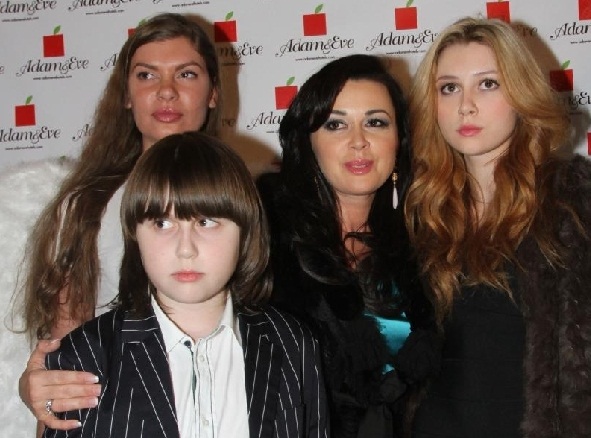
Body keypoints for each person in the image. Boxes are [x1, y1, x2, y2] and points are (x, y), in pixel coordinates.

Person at [41, 132, 328, 438]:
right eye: (162, 224)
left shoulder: (292, 343)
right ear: (135, 234)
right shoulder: (86, 354)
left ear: (244, 232)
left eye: (206, 222)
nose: (185, 249)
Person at [15, 12, 220, 433]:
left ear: (213, 92)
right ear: (126, 95)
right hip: (122, 418)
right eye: (146, 75)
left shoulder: (248, 201)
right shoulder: (86, 207)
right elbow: (62, 367)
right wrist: (38, 392)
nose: (166, 91)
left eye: (186, 74)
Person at [405, 17, 591, 438]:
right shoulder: (422, 211)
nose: (465, 106)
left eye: (487, 84)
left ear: (521, 93)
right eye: (448, 88)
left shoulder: (573, 205)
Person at [257, 54, 438, 438]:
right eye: (336, 124)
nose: (358, 141)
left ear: (399, 140)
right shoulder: (263, 241)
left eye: (376, 122)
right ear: (308, 142)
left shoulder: (429, 243)